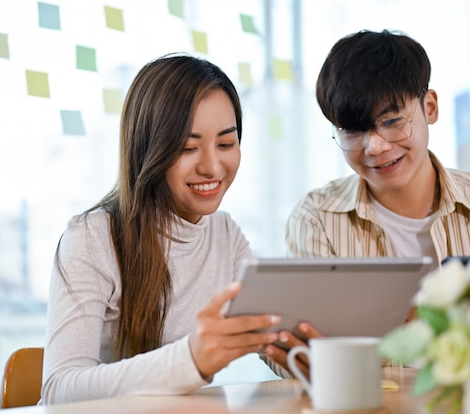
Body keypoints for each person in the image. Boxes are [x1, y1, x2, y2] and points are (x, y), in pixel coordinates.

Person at [268, 29, 470, 374]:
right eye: (353, 131)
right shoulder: (317, 219)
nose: (376, 146)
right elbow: (303, 349)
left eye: (391, 121)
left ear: (429, 107)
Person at [41, 54, 287, 404]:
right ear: (149, 150)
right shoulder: (92, 237)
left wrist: (302, 350)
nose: (212, 166)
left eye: (226, 144)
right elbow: (58, 390)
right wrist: (192, 358)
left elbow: (272, 336)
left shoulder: (225, 234)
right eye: (188, 148)